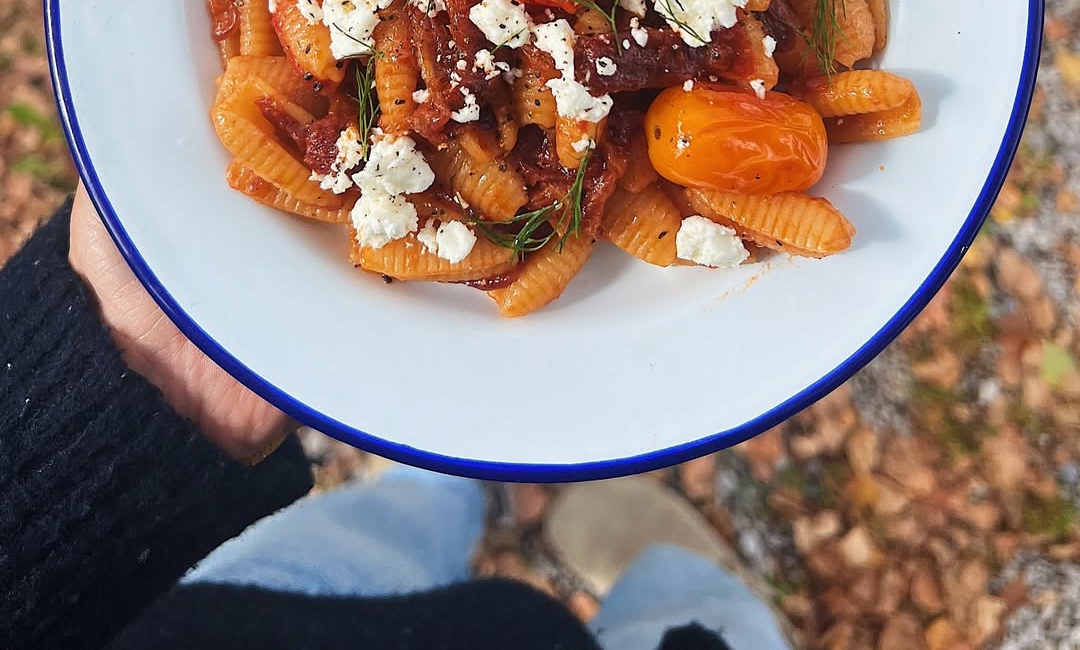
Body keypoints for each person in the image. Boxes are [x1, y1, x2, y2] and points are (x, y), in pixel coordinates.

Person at [1, 186, 795, 650]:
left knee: (395, 520)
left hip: (210, 614)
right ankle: (686, 594)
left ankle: (459, 482)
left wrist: (130, 372)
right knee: (702, 611)